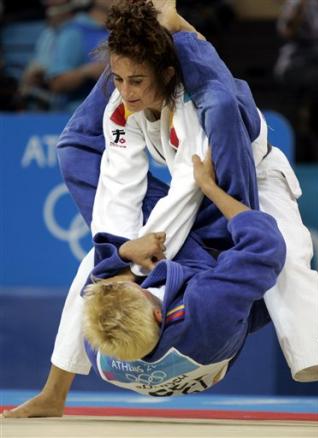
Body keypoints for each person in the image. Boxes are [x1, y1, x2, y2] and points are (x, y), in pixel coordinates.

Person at [3, 0, 318, 419]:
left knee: (290, 253)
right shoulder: (120, 108)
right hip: (192, 186)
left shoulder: (197, 105)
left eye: (136, 80)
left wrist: (144, 247)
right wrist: (118, 253)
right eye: (117, 79)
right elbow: (119, 184)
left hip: (250, 175)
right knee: (93, 268)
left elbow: (191, 188)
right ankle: (53, 394)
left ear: (167, 75)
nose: (126, 91)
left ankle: (311, 358)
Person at [80, 148, 286, 396]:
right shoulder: (205, 306)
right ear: (159, 314)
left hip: (206, 345)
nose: (128, 279)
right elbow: (265, 246)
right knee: (223, 133)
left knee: (82, 164)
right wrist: (209, 187)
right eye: (135, 285)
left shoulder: (101, 351)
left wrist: (124, 254)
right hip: (219, 315)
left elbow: (102, 287)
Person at [274, 0, 318, 161]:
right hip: (295, 64)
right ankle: (300, 136)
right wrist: (300, 9)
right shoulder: (296, 4)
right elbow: (287, 32)